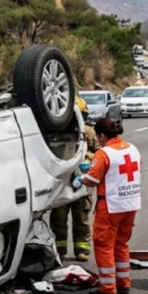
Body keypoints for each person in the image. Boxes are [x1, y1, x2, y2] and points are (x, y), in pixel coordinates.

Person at [79, 118, 142, 294]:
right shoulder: (132, 148)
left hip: (111, 205)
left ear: (102, 135)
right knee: (121, 243)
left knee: (104, 243)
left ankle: (107, 287)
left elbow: (92, 180)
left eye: (98, 137)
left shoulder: (104, 153)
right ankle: (123, 282)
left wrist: (81, 179)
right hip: (130, 204)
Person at [51, 96, 97, 261]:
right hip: (62, 182)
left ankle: (82, 250)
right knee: (58, 219)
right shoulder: (55, 133)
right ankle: (60, 250)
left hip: (81, 183)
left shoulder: (89, 132)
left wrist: (87, 158)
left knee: (81, 218)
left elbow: (99, 153)